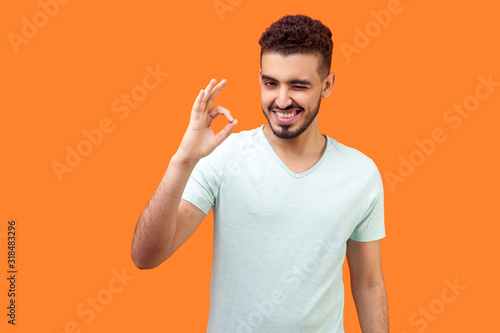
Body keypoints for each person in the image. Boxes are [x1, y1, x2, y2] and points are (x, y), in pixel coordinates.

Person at [131, 14, 389, 333]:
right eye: (271, 83)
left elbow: (368, 282)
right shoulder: (225, 155)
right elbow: (146, 256)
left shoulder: (360, 173)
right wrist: (183, 160)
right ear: (260, 79)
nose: (281, 100)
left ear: (327, 85)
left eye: (298, 85)